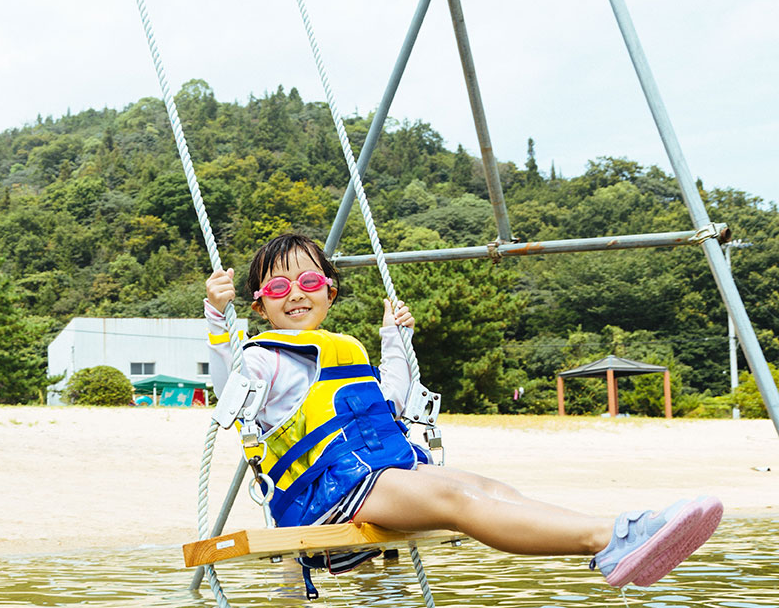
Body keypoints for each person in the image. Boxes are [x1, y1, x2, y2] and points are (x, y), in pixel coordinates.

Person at [204, 233, 721, 588]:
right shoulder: (263, 358)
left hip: (377, 476)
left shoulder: (344, 348)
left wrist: (394, 338)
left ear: (330, 291)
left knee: (491, 488)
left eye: (310, 282)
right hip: (329, 496)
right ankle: (610, 537)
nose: (296, 295)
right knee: (459, 497)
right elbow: (231, 392)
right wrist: (217, 317)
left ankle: (614, 537)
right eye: (278, 287)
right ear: (260, 303)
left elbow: (394, 404)